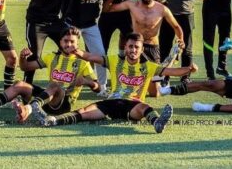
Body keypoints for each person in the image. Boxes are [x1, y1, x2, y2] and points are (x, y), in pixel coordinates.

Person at [31, 32, 198, 133]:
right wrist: (77, 51)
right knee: (84, 111)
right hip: (110, 103)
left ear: (141, 50)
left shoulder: (148, 67)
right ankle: (52, 121)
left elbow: (172, 72)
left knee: (144, 108)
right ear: (125, 48)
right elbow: (91, 57)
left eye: (136, 48)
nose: (133, 50)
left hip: (132, 104)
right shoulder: (114, 60)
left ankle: (157, 122)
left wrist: (189, 69)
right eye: (130, 47)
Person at [0, 27, 99, 121]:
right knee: (20, 84)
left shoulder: (83, 63)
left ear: (78, 43)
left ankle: (27, 109)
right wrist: (22, 58)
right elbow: (26, 67)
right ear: (60, 42)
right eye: (65, 41)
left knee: (56, 85)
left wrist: (86, 81)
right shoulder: (52, 57)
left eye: (72, 42)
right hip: (45, 99)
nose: (68, 44)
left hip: (63, 105)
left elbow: (98, 88)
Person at [103, 0, 185, 96]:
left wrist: (180, 41)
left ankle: (161, 85)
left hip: (153, 48)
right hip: (136, 47)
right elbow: (107, 9)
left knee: (154, 93)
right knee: (129, 85)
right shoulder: (132, 4)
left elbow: (177, 27)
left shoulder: (162, 9)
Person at [17, 0, 75, 85]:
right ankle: (26, 86)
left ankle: (62, 80)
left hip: (55, 21)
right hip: (36, 22)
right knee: (35, 55)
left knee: (69, 47)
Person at [65, 0, 115, 97]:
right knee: (69, 53)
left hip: (91, 23)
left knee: (100, 54)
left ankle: (103, 87)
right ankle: (64, 84)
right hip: (73, 23)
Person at [156, 0, 207, 84]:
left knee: (187, 48)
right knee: (165, 47)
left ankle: (185, 77)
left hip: (186, 15)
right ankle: (164, 76)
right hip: (168, 15)